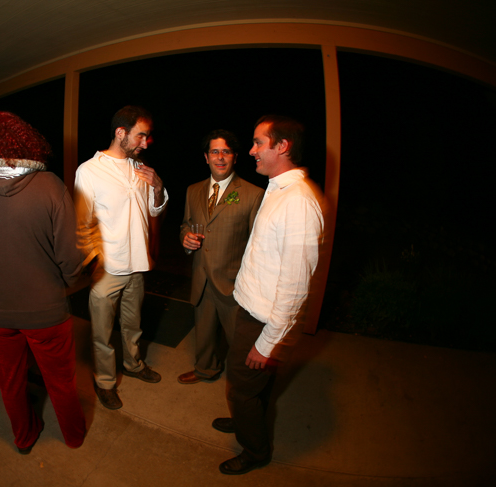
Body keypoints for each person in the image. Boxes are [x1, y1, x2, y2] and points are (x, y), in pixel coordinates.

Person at [0, 111, 86, 454]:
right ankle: (73, 436)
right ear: (25, 140)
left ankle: (24, 437)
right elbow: (71, 260)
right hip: (47, 313)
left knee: (10, 383)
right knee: (61, 382)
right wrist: (67, 280)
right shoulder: (51, 186)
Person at [214, 115, 325, 475]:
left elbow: (295, 287)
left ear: (283, 146)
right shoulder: (278, 189)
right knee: (252, 391)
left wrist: (267, 343)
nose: (251, 151)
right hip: (250, 309)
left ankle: (255, 450)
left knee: (240, 388)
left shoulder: (299, 203)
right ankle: (246, 419)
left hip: (265, 321)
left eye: (259, 142)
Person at [74, 105, 168, 410]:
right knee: (102, 333)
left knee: (133, 324)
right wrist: (94, 262)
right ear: (121, 133)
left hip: (138, 266)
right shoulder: (89, 170)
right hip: (108, 268)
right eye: (141, 135)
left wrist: (158, 188)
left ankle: (133, 364)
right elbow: (82, 222)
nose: (146, 142)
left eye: (147, 136)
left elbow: (154, 211)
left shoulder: (141, 168)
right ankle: (104, 382)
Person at [177, 130, 263, 384]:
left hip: (233, 285)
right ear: (206, 157)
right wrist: (185, 239)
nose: (220, 157)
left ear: (235, 157)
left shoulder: (252, 194)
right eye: (215, 151)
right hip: (202, 278)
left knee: (240, 341)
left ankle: (244, 383)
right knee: (203, 333)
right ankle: (206, 369)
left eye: (226, 151)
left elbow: (257, 245)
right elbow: (186, 224)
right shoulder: (193, 191)